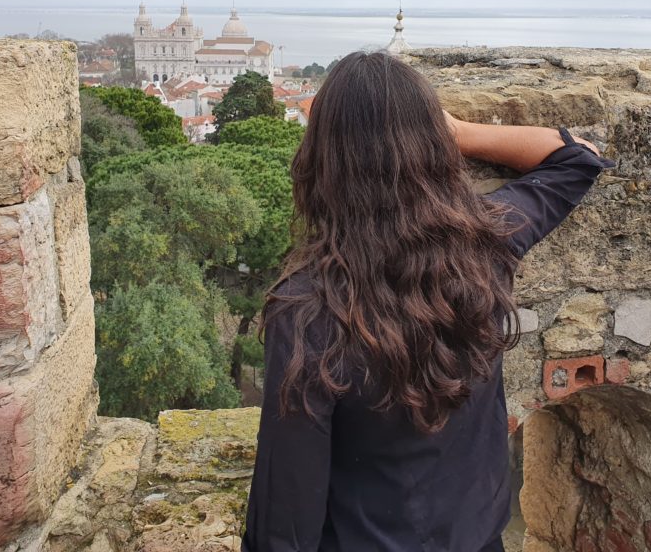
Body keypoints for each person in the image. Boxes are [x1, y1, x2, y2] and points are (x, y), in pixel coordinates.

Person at [242, 51, 614, 552]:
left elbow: (285, 512)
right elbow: (576, 157)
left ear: (322, 162)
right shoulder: (486, 244)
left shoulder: (308, 310)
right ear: (433, 149)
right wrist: (458, 131)